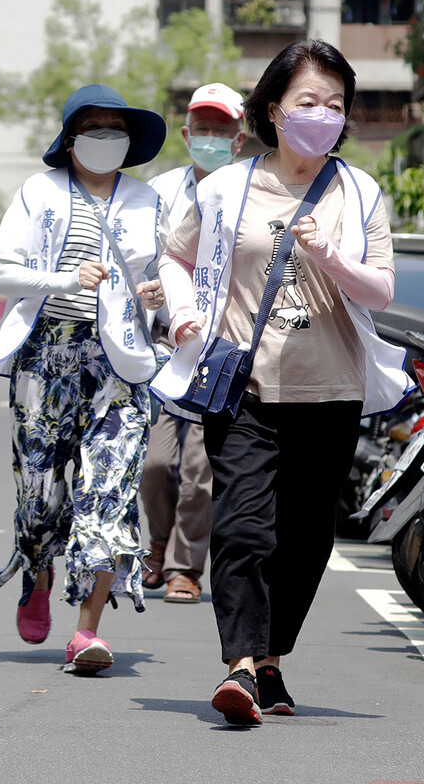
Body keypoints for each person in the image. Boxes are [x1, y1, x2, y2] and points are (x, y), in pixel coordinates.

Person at [153, 40, 409, 725]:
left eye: (335, 104)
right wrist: (181, 317)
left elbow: (381, 291)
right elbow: (175, 260)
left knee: (306, 539)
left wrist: (332, 258)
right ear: (273, 110)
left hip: (332, 392)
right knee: (244, 528)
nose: (323, 114)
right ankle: (239, 663)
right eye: (308, 102)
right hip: (246, 387)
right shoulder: (226, 188)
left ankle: (270, 658)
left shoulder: (360, 193)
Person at [0, 84, 168, 674]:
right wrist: (63, 279)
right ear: (70, 138)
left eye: (117, 127)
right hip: (47, 357)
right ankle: (37, 570)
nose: (106, 136)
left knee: (109, 492)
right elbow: (0, 274)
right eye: (94, 126)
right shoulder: (38, 193)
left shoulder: (147, 201)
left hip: (119, 364)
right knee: (39, 495)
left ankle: (87, 631)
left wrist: (161, 291)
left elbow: (171, 271)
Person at [140, 83, 248, 604]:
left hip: (222, 348)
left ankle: (186, 567)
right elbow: (140, 263)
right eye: (201, 129)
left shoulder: (253, 191)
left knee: (200, 470)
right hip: (164, 345)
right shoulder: (159, 192)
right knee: (156, 464)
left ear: (240, 137)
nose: (209, 138)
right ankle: (156, 544)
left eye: (220, 130)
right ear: (186, 134)